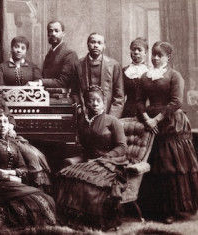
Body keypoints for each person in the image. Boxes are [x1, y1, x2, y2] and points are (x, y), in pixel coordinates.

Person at [136, 41, 198, 224]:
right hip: (150, 123)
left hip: (171, 123)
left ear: (167, 57)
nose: (155, 58)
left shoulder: (174, 75)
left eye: (159, 55)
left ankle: (171, 209)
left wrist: (157, 119)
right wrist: (147, 118)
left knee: (170, 166)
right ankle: (153, 208)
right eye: (153, 54)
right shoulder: (145, 76)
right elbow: (139, 100)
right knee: (154, 164)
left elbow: (176, 101)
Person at [0, 62, 52, 191]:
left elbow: (9, 116)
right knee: (29, 155)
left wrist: (11, 126)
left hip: (5, 132)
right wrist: (1, 128)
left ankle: (35, 189)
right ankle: (27, 188)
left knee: (35, 155)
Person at [56, 85, 127, 229]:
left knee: (90, 182)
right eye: (91, 101)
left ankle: (96, 222)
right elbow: (83, 147)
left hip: (110, 163)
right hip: (89, 161)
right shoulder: (82, 122)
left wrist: (105, 157)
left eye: (98, 101)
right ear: (86, 103)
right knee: (68, 176)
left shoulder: (112, 121)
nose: (94, 104)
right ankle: (77, 220)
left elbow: (122, 147)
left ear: (104, 102)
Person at [0, 108, 56, 230]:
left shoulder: (12, 143)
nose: (3, 125)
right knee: (24, 205)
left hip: (14, 183)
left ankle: (41, 227)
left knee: (47, 199)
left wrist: (11, 173)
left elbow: (24, 168)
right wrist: (12, 178)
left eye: (5, 121)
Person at [74, 32, 124, 119]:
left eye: (99, 43)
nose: (96, 45)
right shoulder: (78, 65)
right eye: (93, 42)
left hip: (107, 114)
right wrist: (80, 109)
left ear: (104, 46)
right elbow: (74, 92)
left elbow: (119, 96)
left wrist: (110, 119)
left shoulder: (114, 65)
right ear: (88, 45)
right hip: (85, 114)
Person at [36, 20, 78, 88]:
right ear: (48, 34)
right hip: (49, 94)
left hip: (63, 97)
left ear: (63, 33)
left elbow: (64, 82)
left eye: (56, 31)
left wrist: (40, 82)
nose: (53, 34)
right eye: (50, 31)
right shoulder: (49, 54)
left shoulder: (70, 54)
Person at [122, 37, 149, 118]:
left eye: (139, 50)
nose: (136, 52)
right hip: (129, 111)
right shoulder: (124, 71)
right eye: (133, 49)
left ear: (145, 52)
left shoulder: (152, 71)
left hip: (147, 112)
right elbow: (120, 95)